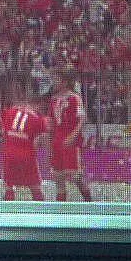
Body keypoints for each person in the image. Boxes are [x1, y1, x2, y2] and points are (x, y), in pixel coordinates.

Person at [0, 87, 49, 201]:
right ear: (38, 105)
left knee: (9, 187)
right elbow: (40, 140)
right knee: (35, 189)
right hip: (27, 155)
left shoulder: (11, 111)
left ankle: (8, 215)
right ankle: (41, 216)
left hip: (9, 154)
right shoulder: (39, 119)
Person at [48, 67, 93, 202]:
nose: (54, 82)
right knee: (58, 177)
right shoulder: (53, 99)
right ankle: (60, 211)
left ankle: (89, 203)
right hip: (57, 140)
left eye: (57, 79)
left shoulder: (75, 98)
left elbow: (82, 119)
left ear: (65, 82)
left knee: (75, 176)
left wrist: (73, 135)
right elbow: (51, 122)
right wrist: (50, 141)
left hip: (70, 140)